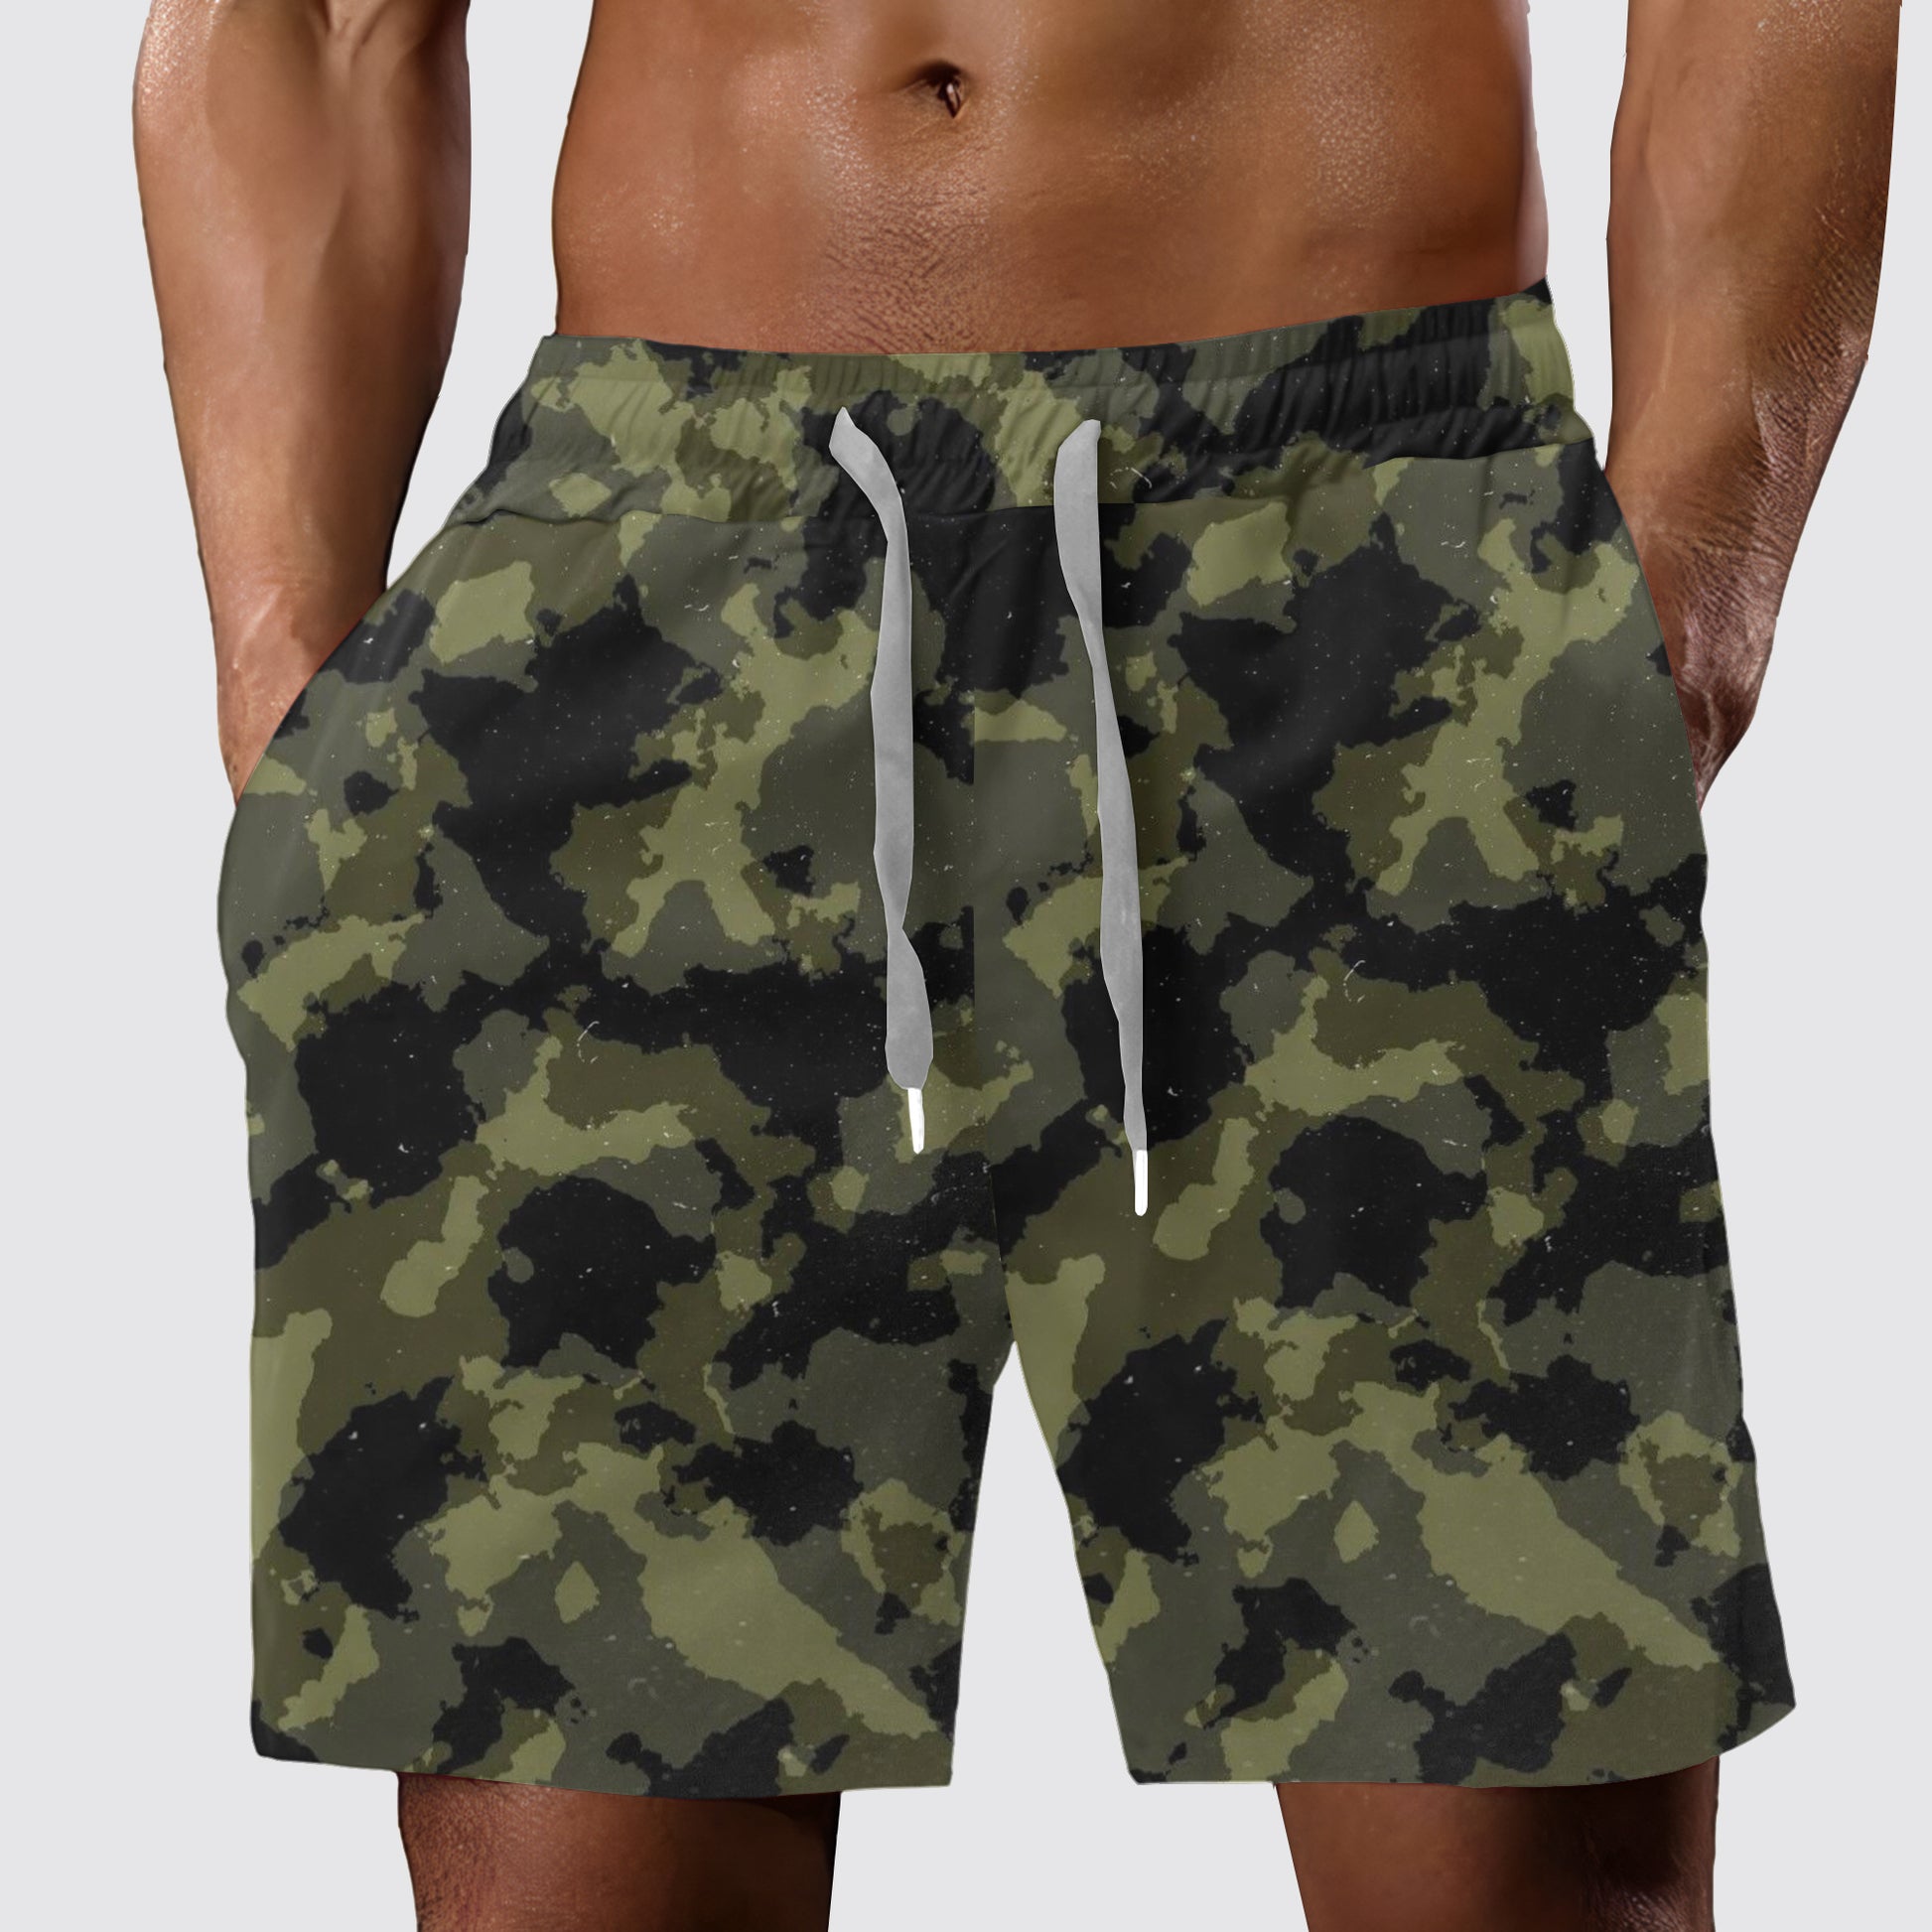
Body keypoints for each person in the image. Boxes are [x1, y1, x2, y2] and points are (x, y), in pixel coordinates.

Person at [134, 3, 1897, 1927]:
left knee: (1510, 1857)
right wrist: (290, 696)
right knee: (572, 1865)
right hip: (637, 611)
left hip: (1358, 579)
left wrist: (1688, 598)